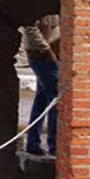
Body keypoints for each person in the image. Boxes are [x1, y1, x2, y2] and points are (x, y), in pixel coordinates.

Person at [21, 15, 59, 156]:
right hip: (42, 56)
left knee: (42, 99)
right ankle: (55, 145)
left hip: (50, 54)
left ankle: (33, 143)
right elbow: (30, 28)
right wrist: (47, 51)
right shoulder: (39, 5)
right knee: (56, 100)